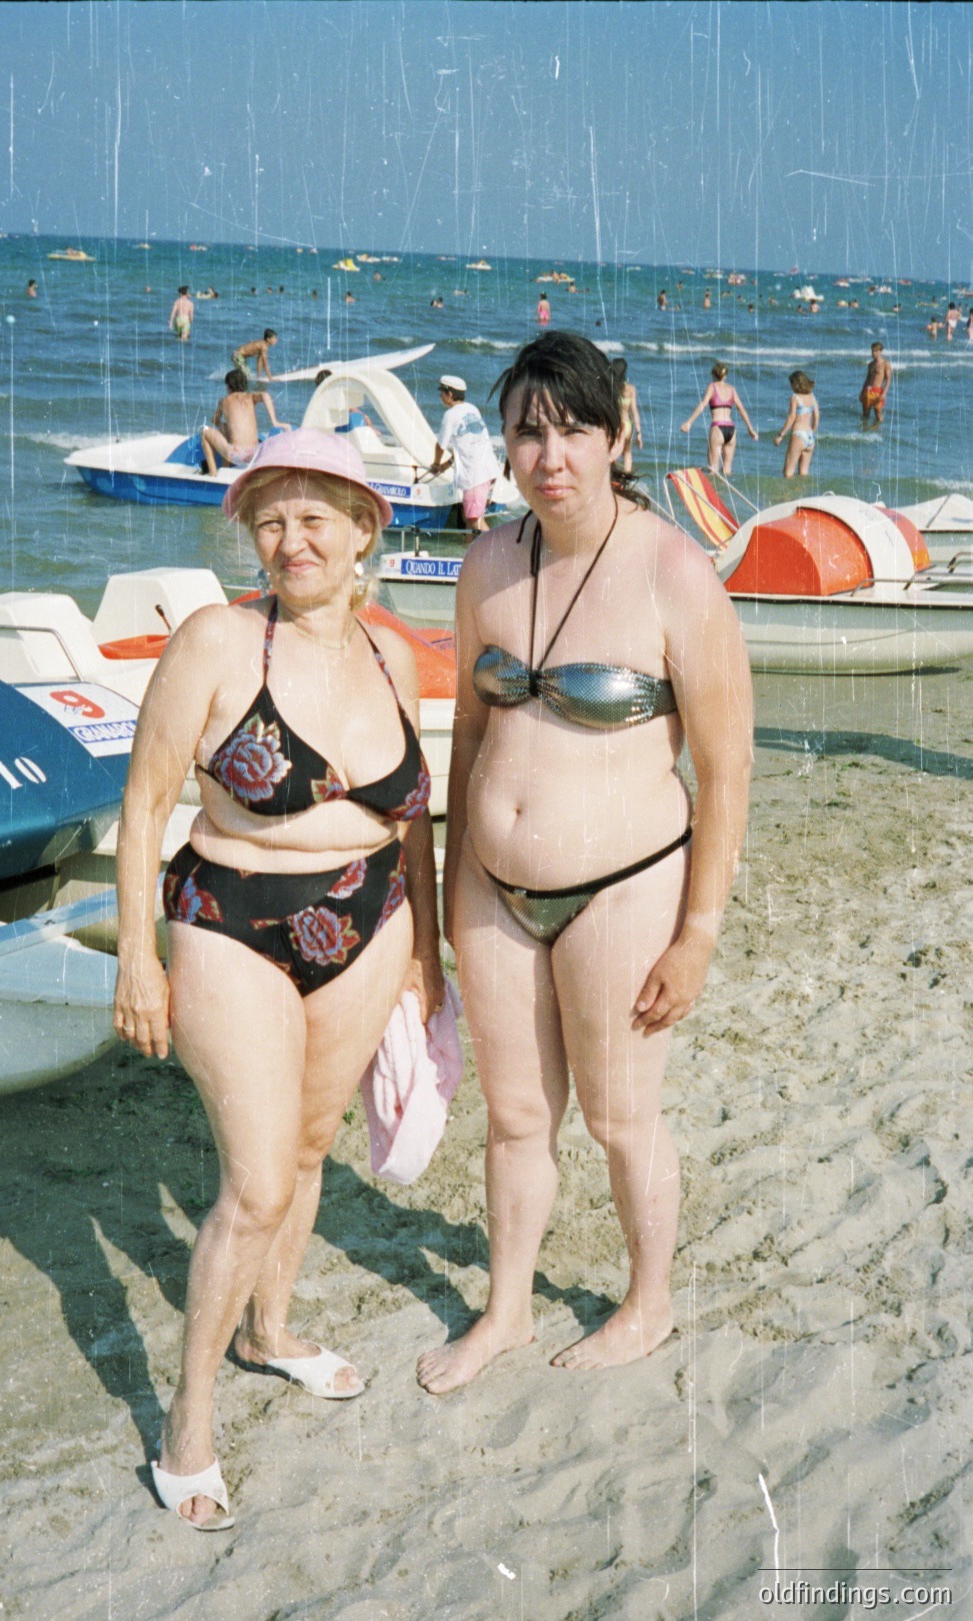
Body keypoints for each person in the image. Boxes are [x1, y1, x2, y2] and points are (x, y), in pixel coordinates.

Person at [115, 428, 443, 1527]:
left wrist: (426, 956)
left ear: (364, 531)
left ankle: (271, 1329)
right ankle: (189, 1420)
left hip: (368, 916)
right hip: (229, 917)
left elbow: (413, 821)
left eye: (315, 519)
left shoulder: (392, 654)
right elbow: (144, 807)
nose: (290, 540)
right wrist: (134, 957)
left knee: (307, 1150)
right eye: (270, 521)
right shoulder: (216, 641)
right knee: (252, 1183)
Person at [416, 331, 752, 1395]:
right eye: (527, 431)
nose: (548, 454)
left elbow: (728, 769)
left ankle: (648, 1302)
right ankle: (507, 1310)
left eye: (572, 430)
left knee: (616, 1117)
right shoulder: (487, 562)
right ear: (504, 447)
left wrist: (697, 935)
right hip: (490, 888)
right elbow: (469, 736)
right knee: (515, 1120)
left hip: (626, 886)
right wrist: (439, 898)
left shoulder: (671, 572)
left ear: (617, 434)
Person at [429, 375, 503, 537]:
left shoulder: (450, 415)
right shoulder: (471, 409)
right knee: (468, 516)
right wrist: (446, 466)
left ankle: (496, 554)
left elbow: (440, 446)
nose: (439, 395)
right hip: (488, 470)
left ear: (449, 394)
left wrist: (435, 464)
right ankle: (470, 552)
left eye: (441, 391)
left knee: (474, 519)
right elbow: (466, 445)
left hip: (475, 475)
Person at [200, 370, 284, 475]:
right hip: (255, 454)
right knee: (226, 429)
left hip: (237, 455)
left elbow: (214, 420)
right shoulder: (250, 397)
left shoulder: (224, 401)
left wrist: (221, 425)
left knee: (205, 430)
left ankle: (213, 473)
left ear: (229, 386)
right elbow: (265, 395)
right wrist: (275, 421)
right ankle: (225, 469)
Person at [680, 362, 758, 474]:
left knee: (713, 468)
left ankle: (713, 491)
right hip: (731, 429)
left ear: (713, 374)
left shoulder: (712, 387)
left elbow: (703, 404)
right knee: (727, 470)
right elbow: (741, 408)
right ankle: (726, 491)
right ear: (725, 375)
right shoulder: (732, 389)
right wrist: (750, 429)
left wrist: (689, 422)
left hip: (718, 427)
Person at [232, 329, 287, 427]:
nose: (276, 340)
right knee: (248, 375)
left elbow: (260, 361)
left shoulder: (263, 346)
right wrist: (270, 378)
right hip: (237, 356)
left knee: (248, 375)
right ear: (268, 339)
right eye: (274, 338)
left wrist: (260, 375)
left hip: (237, 355)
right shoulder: (264, 346)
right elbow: (265, 363)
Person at [773, 370, 819, 478]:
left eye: (792, 384)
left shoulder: (795, 398)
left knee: (788, 472)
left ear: (796, 384)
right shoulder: (812, 397)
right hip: (810, 437)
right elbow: (817, 416)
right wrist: (813, 431)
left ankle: (789, 495)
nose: (791, 387)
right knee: (803, 473)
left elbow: (791, 417)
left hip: (798, 434)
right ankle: (803, 494)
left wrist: (781, 435)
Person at [610, 358, 643, 474]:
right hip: (628, 425)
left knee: (613, 453)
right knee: (627, 453)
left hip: (616, 425)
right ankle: (626, 481)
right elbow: (634, 411)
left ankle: (613, 481)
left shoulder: (611, 388)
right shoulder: (630, 389)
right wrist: (639, 433)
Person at [859, 342, 891, 425]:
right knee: (865, 413)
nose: (873, 353)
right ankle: (865, 431)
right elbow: (867, 379)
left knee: (878, 413)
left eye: (875, 351)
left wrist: (884, 393)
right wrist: (862, 391)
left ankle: (878, 431)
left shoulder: (885, 364)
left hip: (877, 391)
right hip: (868, 390)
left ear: (880, 351)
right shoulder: (870, 364)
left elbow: (888, 380)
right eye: (872, 351)